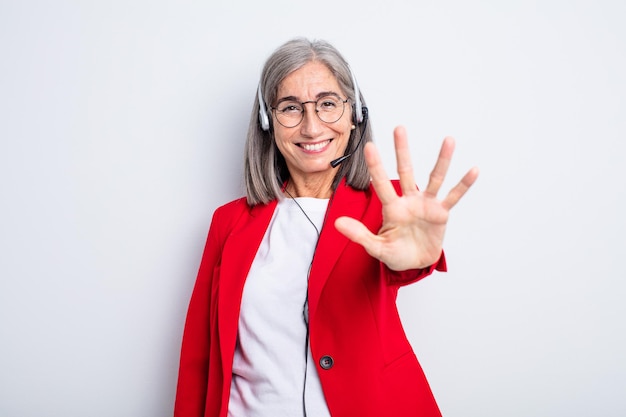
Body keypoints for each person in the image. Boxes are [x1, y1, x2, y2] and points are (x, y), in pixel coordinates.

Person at [174, 38, 479, 417]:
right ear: (268, 123)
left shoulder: (390, 205)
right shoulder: (229, 223)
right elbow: (199, 358)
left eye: (328, 104)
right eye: (290, 108)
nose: (312, 126)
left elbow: (404, 260)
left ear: (355, 115)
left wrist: (414, 259)